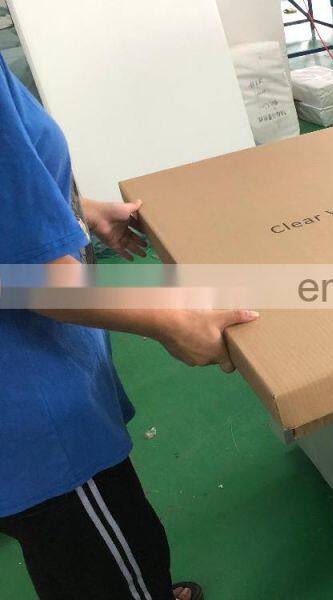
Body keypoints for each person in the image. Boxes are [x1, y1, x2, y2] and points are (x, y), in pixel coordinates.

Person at [0, 54, 259, 599]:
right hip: (33, 420)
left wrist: (78, 210)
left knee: (74, 556)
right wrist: (170, 321)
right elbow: (37, 281)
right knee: (107, 562)